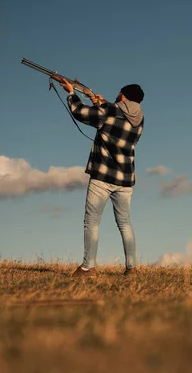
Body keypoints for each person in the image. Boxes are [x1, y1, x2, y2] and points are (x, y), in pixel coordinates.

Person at [52, 74, 144, 277]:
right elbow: (116, 115)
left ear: (124, 96)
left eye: (120, 93)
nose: (117, 95)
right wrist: (100, 102)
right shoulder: (140, 119)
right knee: (125, 223)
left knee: (91, 221)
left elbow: (82, 113)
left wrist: (71, 93)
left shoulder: (110, 110)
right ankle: (132, 268)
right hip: (125, 180)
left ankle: (88, 267)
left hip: (102, 176)